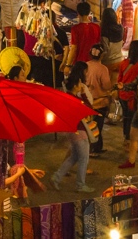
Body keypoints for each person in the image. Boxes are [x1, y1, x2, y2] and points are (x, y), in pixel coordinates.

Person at [50, 62, 94, 193]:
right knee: (84, 158)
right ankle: (80, 185)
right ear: (76, 85)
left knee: (74, 156)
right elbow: (89, 109)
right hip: (79, 131)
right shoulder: (75, 99)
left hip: (72, 131)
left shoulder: (68, 97)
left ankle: (56, 177)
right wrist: (84, 93)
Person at [85, 44, 112, 156]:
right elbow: (106, 86)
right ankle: (94, 149)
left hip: (87, 100)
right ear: (102, 55)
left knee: (89, 125)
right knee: (97, 126)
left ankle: (96, 147)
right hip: (99, 102)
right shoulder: (103, 69)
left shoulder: (85, 66)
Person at [116, 41, 138, 143]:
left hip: (122, 94)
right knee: (133, 119)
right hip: (133, 96)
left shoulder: (124, 63)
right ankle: (131, 139)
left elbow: (119, 79)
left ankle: (126, 137)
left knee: (126, 117)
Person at [99, 7, 124, 77]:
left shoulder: (104, 31)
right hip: (120, 60)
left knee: (107, 86)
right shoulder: (120, 28)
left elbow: (105, 49)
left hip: (108, 62)